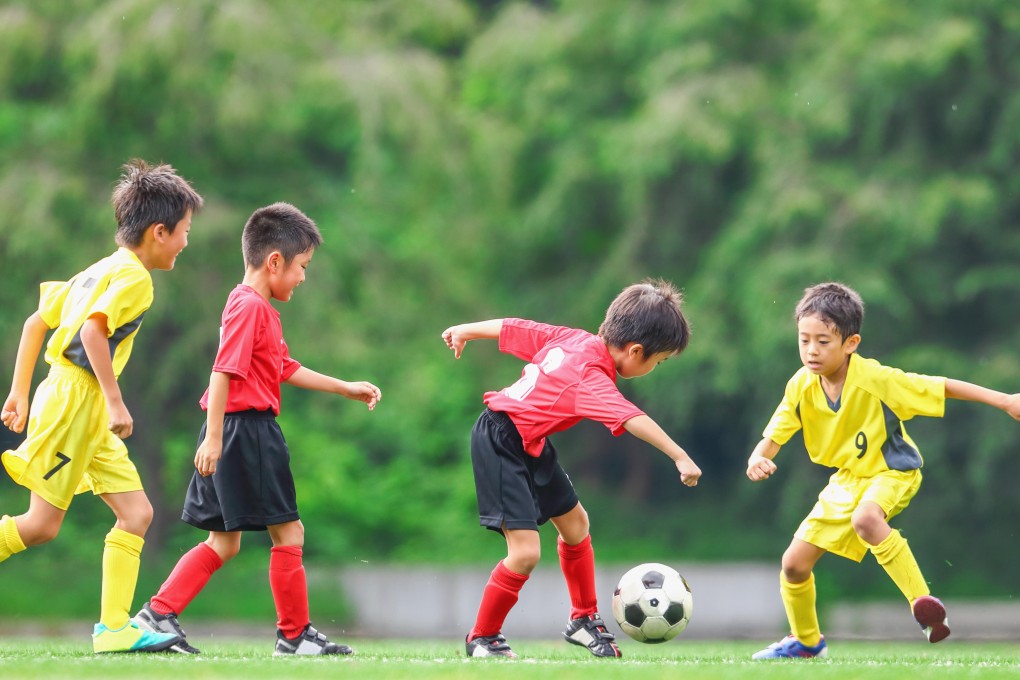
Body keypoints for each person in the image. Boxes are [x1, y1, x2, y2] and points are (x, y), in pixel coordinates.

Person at [131, 202, 382, 656]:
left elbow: (283, 366)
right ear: (274, 262)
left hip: (231, 429)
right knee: (289, 534)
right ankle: (294, 635)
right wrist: (213, 438)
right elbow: (223, 371)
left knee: (223, 543)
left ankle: (158, 613)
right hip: (245, 432)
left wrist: (344, 387)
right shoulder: (249, 306)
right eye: (302, 267)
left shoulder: (255, 307)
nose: (303, 277)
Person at [747, 282, 1020, 659]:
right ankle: (807, 642)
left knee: (866, 519)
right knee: (793, 566)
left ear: (851, 343)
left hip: (893, 471)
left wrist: (1005, 400)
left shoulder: (877, 380)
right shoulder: (800, 385)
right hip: (847, 480)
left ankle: (924, 608)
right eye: (804, 339)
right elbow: (775, 434)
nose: (811, 350)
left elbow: (942, 388)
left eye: (823, 341)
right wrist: (757, 457)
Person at [0, 160, 203, 653]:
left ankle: (114, 629)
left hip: (78, 406)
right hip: (76, 405)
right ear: (159, 231)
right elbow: (93, 332)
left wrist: (20, 391)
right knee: (42, 526)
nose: (185, 243)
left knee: (136, 513)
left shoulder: (100, 267)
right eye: (184, 233)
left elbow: (35, 323)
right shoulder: (136, 279)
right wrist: (116, 402)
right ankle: (114, 628)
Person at [442, 279, 701, 659]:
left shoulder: (573, 339)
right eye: (657, 362)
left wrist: (467, 329)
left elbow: (514, 327)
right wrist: (679, 455)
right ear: (635, 351)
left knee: (576, 526)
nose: (654, 368)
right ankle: (482, 636)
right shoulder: (591, 377)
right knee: (526, 552)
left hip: (530, 441)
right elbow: (632, 418)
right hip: (500, 440)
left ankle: (583, 618)